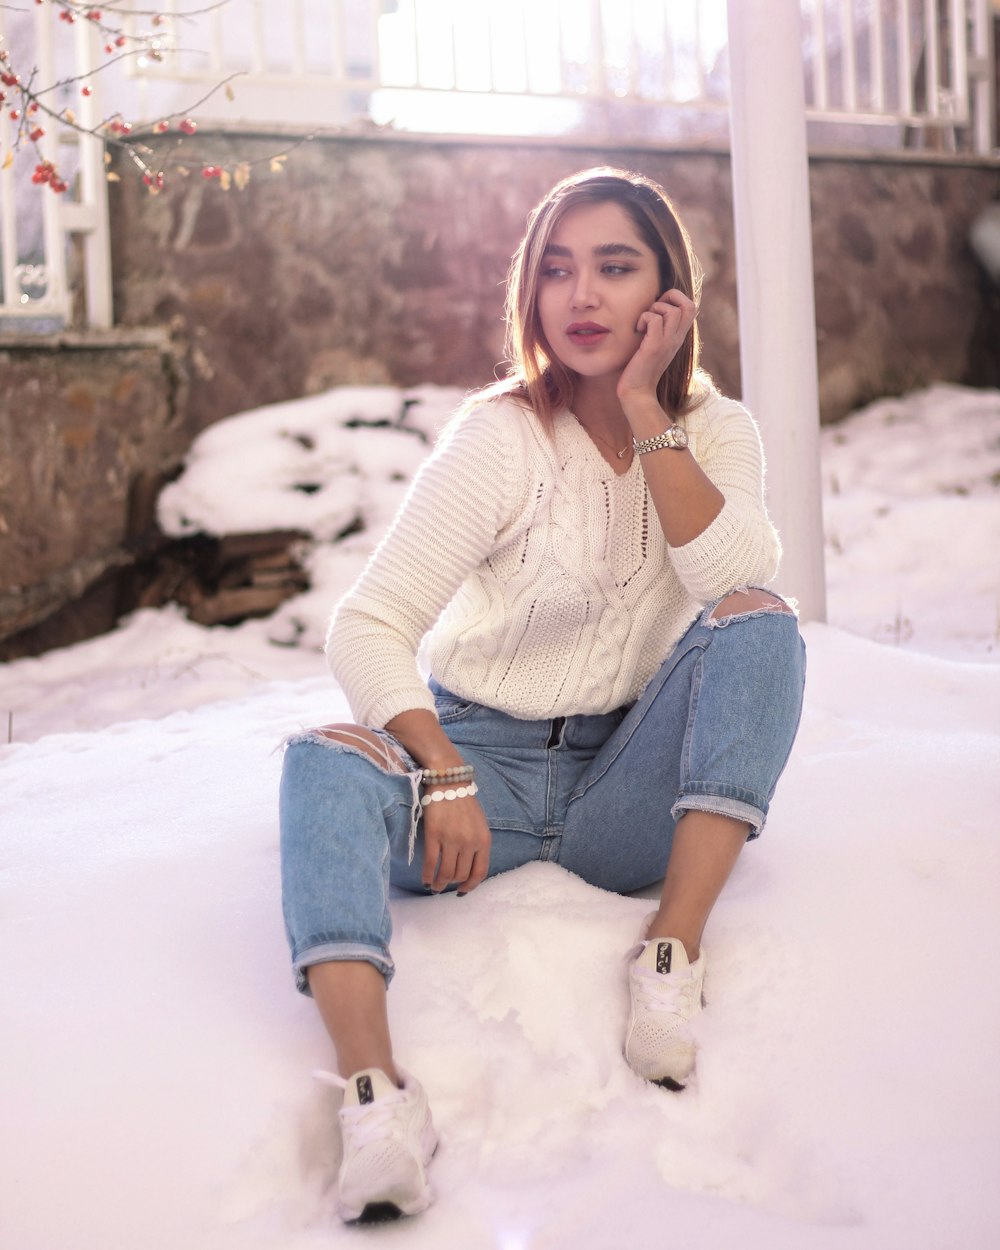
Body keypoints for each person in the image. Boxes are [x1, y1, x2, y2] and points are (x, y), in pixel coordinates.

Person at [279, 166, 806, 1224]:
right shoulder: (500, 434)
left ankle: (674, 952)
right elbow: (368, 621)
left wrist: (647, 411)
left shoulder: (713, 428)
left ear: (668, 294)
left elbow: (729, 574)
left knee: (762, 622)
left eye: (616, 267)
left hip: (631, 786)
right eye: (556, 268)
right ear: (529, 292)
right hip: (484, 779)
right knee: (320, 761)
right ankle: (377, 1101)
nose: (581, 296)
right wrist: (441, 768)